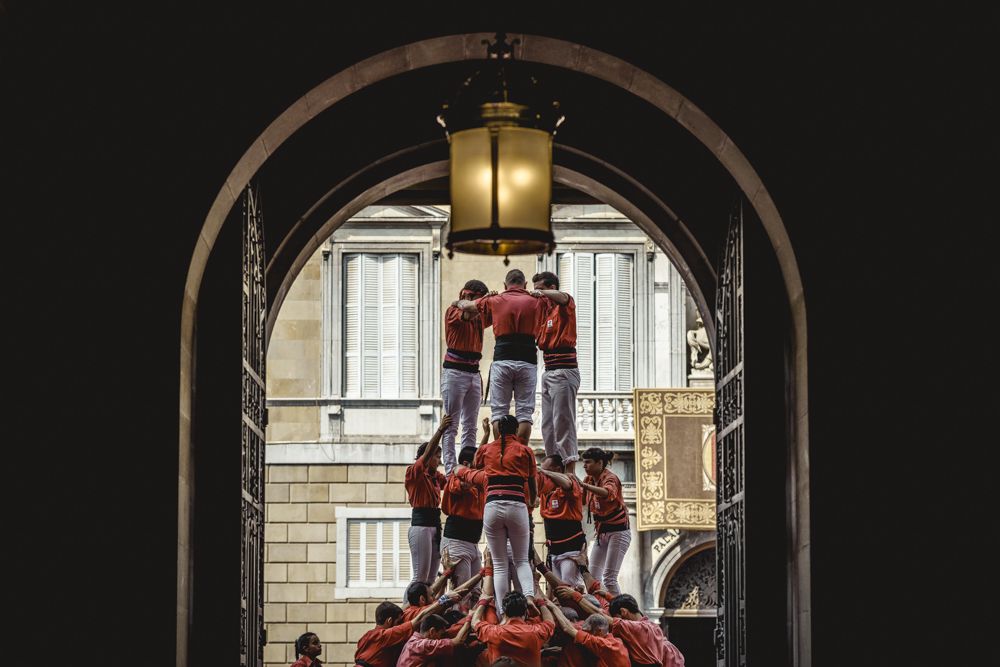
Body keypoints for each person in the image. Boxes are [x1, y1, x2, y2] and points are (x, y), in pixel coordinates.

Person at [455, 268, 544, 442]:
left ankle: (500, 452)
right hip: (527, 360)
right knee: (525, 413)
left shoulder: (495, 300)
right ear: (525, 284)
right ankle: (520, 452)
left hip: (503, 359)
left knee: (499, 412)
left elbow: (466, 307)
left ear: (505, 285)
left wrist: (457, 302)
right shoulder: (536, 301)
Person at [471, 414, 538, 611]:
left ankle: (502, 613)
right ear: (516, 430)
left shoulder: (486, 449)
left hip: (492, 505)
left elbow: (475, 464)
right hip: (516, 504)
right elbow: (532, 482)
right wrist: (532, 500)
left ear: (498, 430)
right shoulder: (525, 450)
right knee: (521, 560)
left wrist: (485, 435)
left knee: (499, 564)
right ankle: (529, 597)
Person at [531, 271, 581, 476]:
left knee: (563, 422)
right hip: (549, 370)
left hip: (564, 370)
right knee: (548, 425)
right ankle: (553, 464)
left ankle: (569, 469)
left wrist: (542, 294)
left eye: (541, 289)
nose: (537, 293)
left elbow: (564, 297)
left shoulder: (564, 306)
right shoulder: (545, 312)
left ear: (551, 288)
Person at [440, 417, 491, 607]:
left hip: (472, 542)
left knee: (476, 592)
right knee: (460, 593)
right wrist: (463, 470)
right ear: (466, 465)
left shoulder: (475, 477)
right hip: (457, 541)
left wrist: (486, 435)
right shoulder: (456, 477)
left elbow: (477, 462)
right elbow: (462, 484)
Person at [441, 279, 489, 473]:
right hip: (455, 372)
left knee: (470, 425)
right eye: (478, 300)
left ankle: (468, 466)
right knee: (451, 424)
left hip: (473, 372)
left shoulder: (478, 315)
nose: (480, 305)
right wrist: (483, 302)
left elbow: (493, 312)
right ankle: (450, 470)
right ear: (467, 295)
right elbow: (468, 312)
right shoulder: (453, 311)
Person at [472, 561, 555, 667]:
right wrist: (540, 602)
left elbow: (474, 622)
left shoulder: (495, 632)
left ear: (504, 612)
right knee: (520, 561)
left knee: (501, 565)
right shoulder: (535, 632)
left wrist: (483, 602)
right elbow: (550, 622)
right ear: (525, 612)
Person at [557, 592, 669, 667]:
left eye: (616, 617)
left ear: (623, 612)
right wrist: (608, 596)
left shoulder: (633, 629)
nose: (614, 621)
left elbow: (599, 614)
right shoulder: (655, 627)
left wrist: (575, 596)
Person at [405, 415, 453, 585]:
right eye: (437, 457)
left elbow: (453, 483)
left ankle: (427, 601)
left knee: (431, 579)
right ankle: (409, 603)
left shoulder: (436, 477)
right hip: (421, 526)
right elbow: (425, 457)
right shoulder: (414, 473)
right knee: (420, 577)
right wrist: (440, 430)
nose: (439, 461)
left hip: (434, 525)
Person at [578, 447, 630, 595]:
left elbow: (608, 493)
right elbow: (581, 501)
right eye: (584, 462)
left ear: (599, 463)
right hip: (601, 533)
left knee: (609, 578)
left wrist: (585, 486)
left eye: (588, 462)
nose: (584, 466)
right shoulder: (588, 480)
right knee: (593, 577)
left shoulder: (610, 478)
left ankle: (621, 606)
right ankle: (601, 606)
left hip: (618, 532)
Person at [536, 454, 586, 588]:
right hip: (554, 550)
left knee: (569, 588)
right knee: (558, 590)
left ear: (558, 470)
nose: (543, 475)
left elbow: (567, 484)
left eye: (546, 470)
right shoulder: (546, 489)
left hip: (570, 549)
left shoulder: (569, 481)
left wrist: (544, 472)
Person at [548, 605, 630, 667]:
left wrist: (553, 607)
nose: (585, 633)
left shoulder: (604, 645)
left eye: (587, 632)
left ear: (599, 631)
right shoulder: (615, 640)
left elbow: (567, 628)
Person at [396, 613, 472, 666]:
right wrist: (470, 617)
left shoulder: (412, 640)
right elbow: (459, 640)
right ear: (432, 631)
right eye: (441, 634)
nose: (442, 637)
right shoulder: (424, 645)